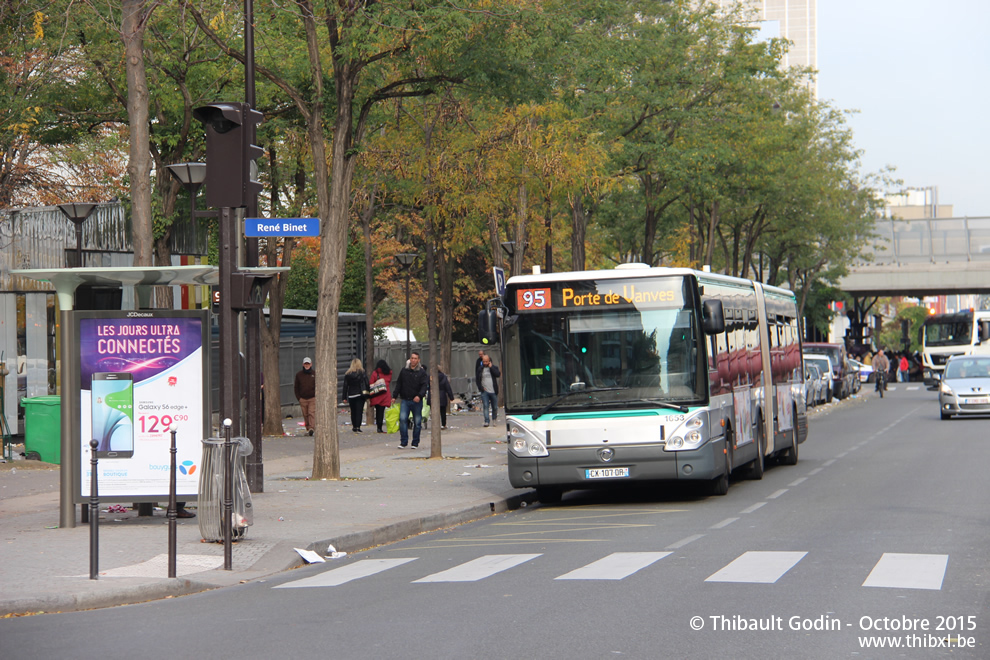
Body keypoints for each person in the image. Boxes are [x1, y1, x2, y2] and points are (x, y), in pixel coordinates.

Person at [392, 352, 429, 448]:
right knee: (402, 419)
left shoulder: (421, 373)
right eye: (412, 358)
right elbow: (399, 384)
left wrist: (419, 396)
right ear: (410, 359)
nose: (413, 360)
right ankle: (403, 441)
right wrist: (394, 396)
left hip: (417, 400)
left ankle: (415, 442)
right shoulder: (404, 371)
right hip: (405, 399)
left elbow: (424, 386)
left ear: (418, 360)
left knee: (417, 422)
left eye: (415, 358)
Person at [342, 358, 370, 433]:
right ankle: (358, 426)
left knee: (353, 411)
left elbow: (345, 386)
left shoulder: (348, 374)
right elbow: (367, 383)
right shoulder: (362, 373)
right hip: (360, 395)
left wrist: (344, 397)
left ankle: (354, 426)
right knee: (359, 411)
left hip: (351, 395)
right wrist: (368, 393)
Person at [476, 353, 501, 427]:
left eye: (486, 361)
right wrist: (481, 388)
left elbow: (498, 374)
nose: (485, 363)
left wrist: (491, 367)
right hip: (485, 391)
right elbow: (477, 379)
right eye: (484, 361)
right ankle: (486, 421)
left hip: (493, 390)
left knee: (495, 407)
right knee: (486, 406)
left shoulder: (494, 367)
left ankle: (494, 419)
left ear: (489, 361)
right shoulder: (480, 369)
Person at [368, 360, 393, 433]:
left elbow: (371, 382)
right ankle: (380, 427)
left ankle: (378, 427)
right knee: (381, 411)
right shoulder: (389, 373)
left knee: (378, 410)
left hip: (377, 394)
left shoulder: (375, 373)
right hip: (385, 393)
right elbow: (389, 381)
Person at [294, 357, 316, 436]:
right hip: (303, 398)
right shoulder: (299, 375)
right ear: (303, 364)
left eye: (308, 364)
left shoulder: (314, 374)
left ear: (311, 364)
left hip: (312, 398)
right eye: (305, 364)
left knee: (311, 413)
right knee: (305, 414)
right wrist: (299, 398)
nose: (307, 365)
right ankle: (308, 428)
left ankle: (312, 428)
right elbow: (296, 387)